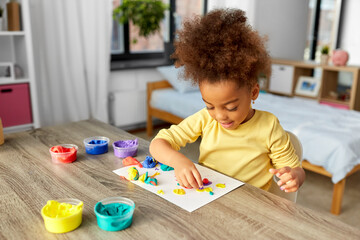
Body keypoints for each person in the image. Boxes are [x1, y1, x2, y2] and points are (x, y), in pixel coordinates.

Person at [149, 9, 305, 192]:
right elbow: (157, 144)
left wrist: (294, 177)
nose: (220, 115)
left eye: (231, 107)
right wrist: (178, 160)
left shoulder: (269, 126)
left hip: (251, 204)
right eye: (209, 106)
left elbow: (295, 169)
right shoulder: (205, 119)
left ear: (254, 92)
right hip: (208, 197)